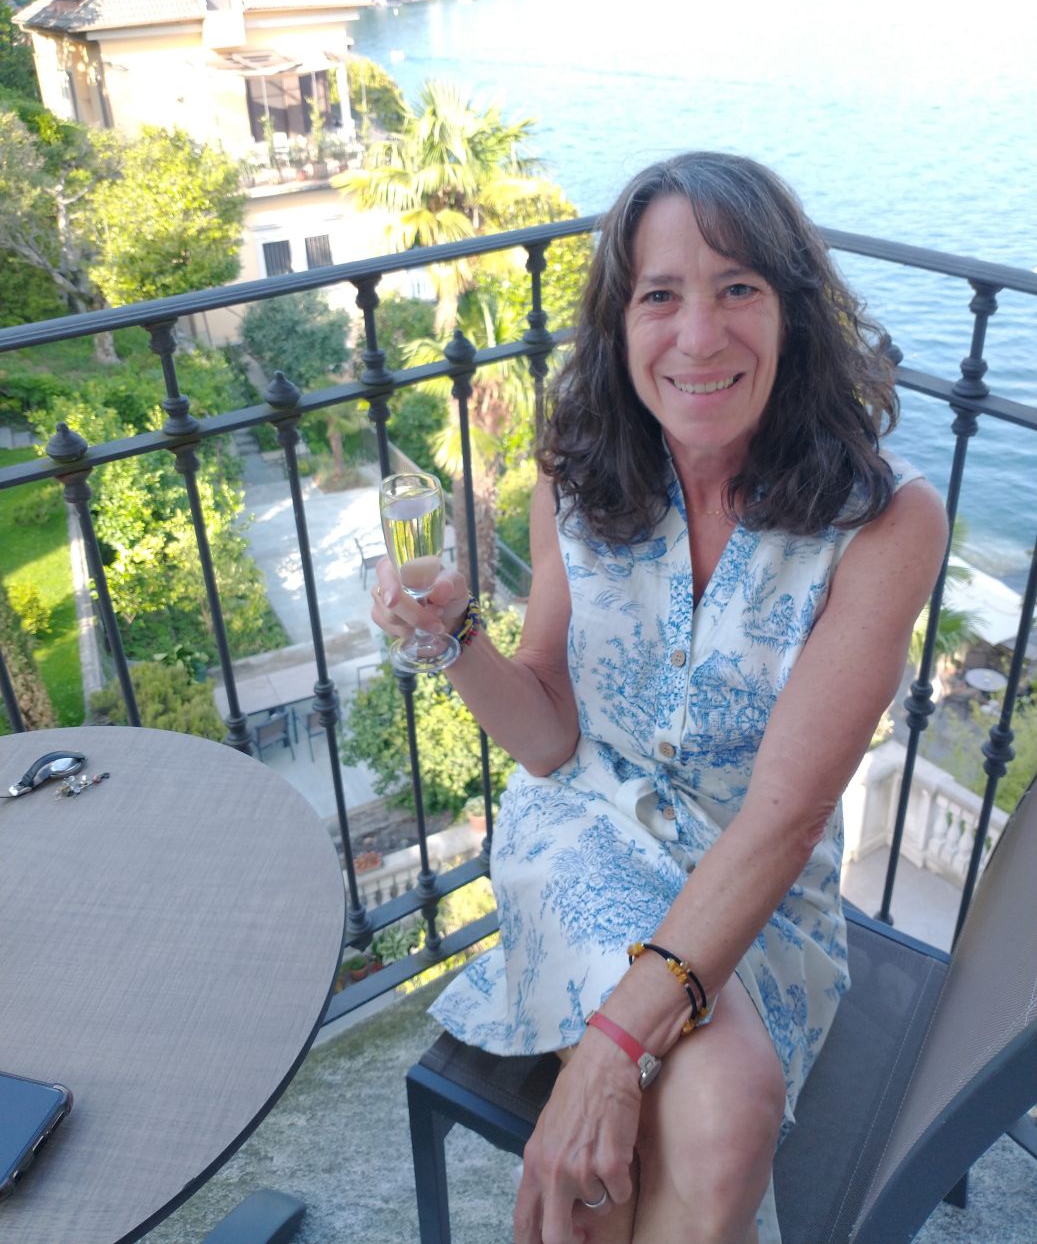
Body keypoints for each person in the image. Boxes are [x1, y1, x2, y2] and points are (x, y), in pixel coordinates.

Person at [370, 151, 947, 1244]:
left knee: (703, 1123)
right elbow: (547, 737)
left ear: (792, 311)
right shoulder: (576, 473)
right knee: (716, 1109)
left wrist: (607, 1051)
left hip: (756, 876)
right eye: (659, 295)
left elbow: (783, 817)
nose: (698, 335)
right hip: (581, 834)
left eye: (737, 288)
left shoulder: (881, 522)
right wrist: (453, 637)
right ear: (619, 321)